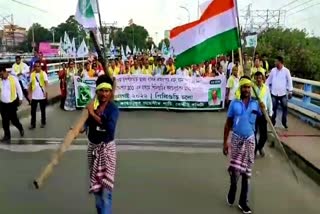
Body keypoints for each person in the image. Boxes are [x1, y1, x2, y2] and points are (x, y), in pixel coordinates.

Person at [223, 76, 261, 214]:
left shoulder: (256, 104)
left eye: (248, 87)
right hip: (236, 140)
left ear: (251, 89)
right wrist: (225, 143)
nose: (246, 89)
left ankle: (243, 202)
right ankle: (233, 188)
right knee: (235, 171)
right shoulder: (235, 103)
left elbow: (264, 120)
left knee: (247, 173)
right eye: (244, 87)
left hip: (250, 140)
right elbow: (228, 124)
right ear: (240, 88)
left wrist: (264, 109)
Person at [86, 76, 119, 214]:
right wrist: (80, 126)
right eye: (101, 91)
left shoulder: (113, 109)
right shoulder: (91, 106)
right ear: (97, 91)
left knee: (106, 192)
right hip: (93, 149)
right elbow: (84, 126)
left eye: (107, 91)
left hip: (107, 150)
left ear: (110, 92)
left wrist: (93, 114)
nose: (104, 94)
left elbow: (110, 128)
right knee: (97, 191)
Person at [266, 56, 293, 129]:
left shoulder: (286, 71)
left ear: (280, 62)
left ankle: (284, 121)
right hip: (274, 93)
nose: (275, 63)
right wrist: (265, 88)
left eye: (276, 61)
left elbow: (289, 80)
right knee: (273, 108)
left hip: (283, 93)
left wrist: (290, 91)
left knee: (285, 107)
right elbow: (268, 80)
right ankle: (273, 122)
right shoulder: (273, 70)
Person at [0, 66, 24, 143]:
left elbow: (19, 89)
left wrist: (20, 98)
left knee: (14, 120)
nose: (1, 76)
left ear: (5, 72)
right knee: (4, 121)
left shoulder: (13, 79)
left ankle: (20, 128)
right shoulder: (0, 80)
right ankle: (7, 136)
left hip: (12, 103)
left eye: (1, 74)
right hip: (2, 104)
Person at [252, 72, 273, 157]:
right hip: (253, 113)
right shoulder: (252, 88)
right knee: (254, 133)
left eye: (260, 78)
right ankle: (254, 149)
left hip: (263, 113)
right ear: (255, 79)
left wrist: (270, 113)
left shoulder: (266, 88)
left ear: (263, 78)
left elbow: (269, 100)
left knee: (264, 135)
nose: (258, 80)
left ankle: (259, 147)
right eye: (257, 78)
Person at [28, 61, 48, 129]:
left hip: (42, 95)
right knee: (33, 111)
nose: (37, 67)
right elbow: (30, 85)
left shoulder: (43, 73)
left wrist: (46, 92)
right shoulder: (32, 74)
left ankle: (43, 122)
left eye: (38, 66)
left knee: (43, 110)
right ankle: (33, 124)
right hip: (34, 96)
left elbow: (46, 83)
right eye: (35, 66)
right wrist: (29, 94)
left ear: (40, 66)